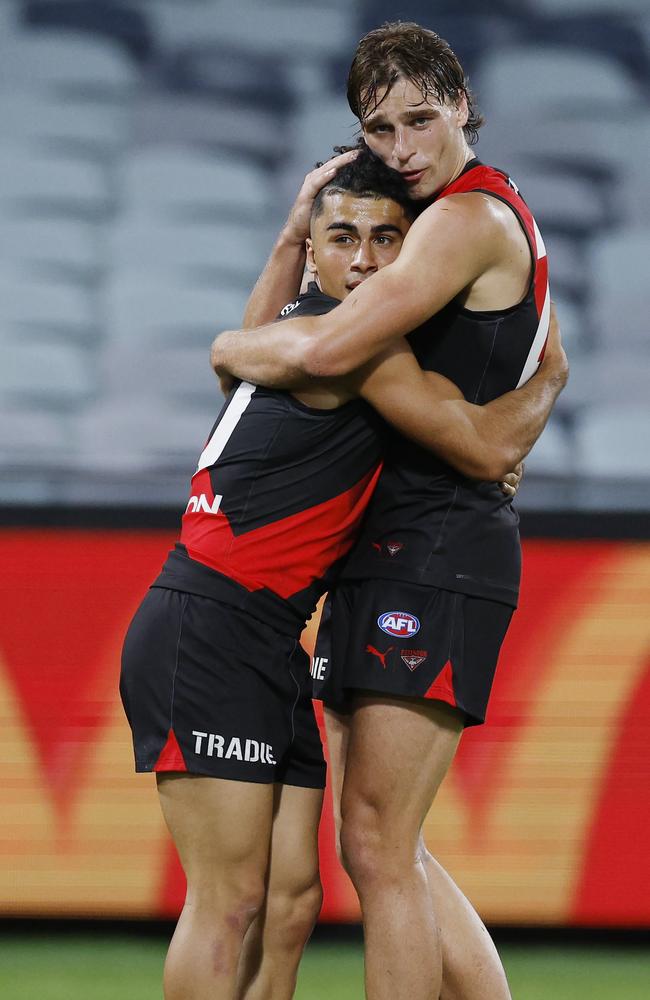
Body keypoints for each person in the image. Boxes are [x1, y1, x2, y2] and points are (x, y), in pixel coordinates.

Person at [209, 22, 565, 1000]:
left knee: (376, 845)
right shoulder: (479, 213)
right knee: (379, 844)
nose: (404, 145)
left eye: (420, 117)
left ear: (459, 102)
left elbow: (326, 350)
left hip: (435, 545)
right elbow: (549, 361)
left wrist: (232, 350)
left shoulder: (461, 220)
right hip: (404, 540)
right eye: (381, 127)